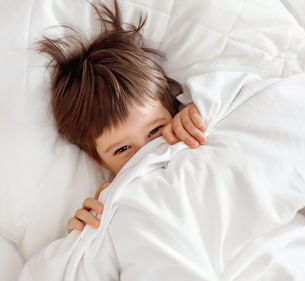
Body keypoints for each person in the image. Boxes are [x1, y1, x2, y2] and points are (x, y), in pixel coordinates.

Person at [36, 0, 206, 234]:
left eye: (155, 130)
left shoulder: (196, 135)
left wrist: (206, 108)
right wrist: (81, 239)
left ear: (173, 109)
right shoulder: (110, 206)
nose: (147, 153)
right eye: (123, 149)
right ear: (99, 161)